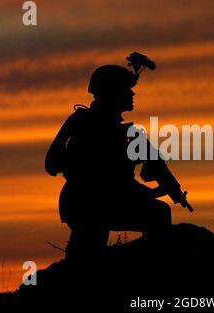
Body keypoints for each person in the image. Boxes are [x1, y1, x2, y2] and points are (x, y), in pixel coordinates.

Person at [45, 64, 172, 262]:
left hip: (97, 203)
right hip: (88, 204)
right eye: (125, 90)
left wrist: (156, 186)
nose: (132, 94)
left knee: (87, 254)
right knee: (159, 214)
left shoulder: (130, 135)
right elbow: (52, 163)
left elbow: (124, 183)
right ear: (112, 93)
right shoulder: (82, 122)